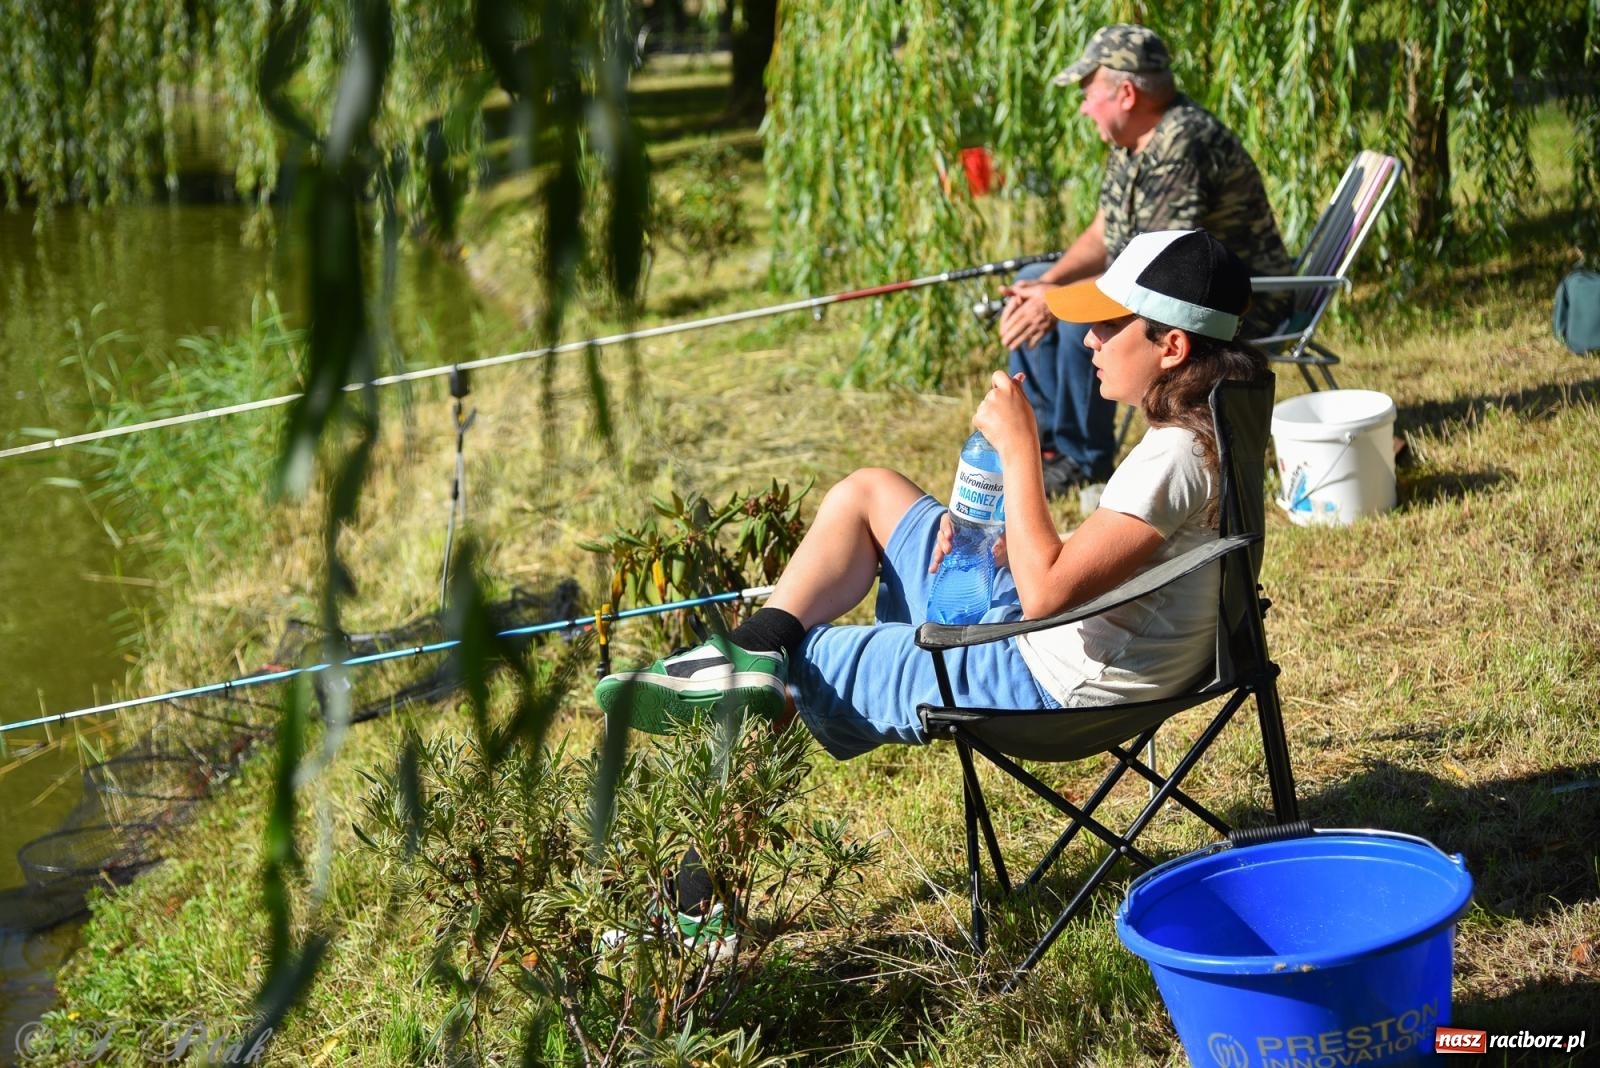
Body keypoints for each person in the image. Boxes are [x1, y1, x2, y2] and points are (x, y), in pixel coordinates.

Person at [595, 229, 1268, 762]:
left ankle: (697, 888)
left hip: (1054, 688)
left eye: (1109, 326)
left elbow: (1047, 595)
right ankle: (748, 652)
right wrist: (1007, 545)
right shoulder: (1203, 431)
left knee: (799, 668)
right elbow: (1097, 570)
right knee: (871, 492)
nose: (1088, 338)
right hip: (1068, 647)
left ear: (1172, 346)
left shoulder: (1174, 457)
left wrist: (1019, 450)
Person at [998, 23, 1291, 497]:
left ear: (1127, 93)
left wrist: (1060, 299)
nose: (1083, 105)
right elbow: (1103, 231)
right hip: (1171, 289)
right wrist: (1048, 283)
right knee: (1029, 282)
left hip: (1230, 305)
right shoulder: (1130, 143)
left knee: (1085, 318)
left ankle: (1084, 457)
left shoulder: (1181, 143)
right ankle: (1047, 442)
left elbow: (1163, 268)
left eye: (1089, 92)